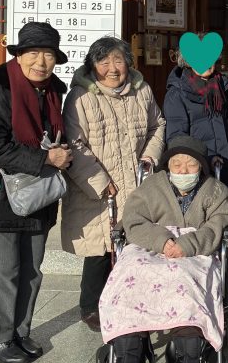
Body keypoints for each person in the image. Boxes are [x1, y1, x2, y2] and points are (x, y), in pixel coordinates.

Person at [0, 21, 73, 363]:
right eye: (33, 53)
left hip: (37, 194)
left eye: (48, 54)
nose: (41, 62)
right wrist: (46, 158)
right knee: (4, 269)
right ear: (19, 55)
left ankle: (20, 332)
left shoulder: (53, 91)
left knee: (32, 269)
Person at [99, 135, 228, 363]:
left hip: (194, 249)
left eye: (191, 164)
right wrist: (162, 241)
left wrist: (187, 244)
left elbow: (217, 224)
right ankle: (129, 356)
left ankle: (188, 360)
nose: (183, 170)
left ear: (201, 167)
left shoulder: (215, 191)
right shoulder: (151, 187)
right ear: (167, 165)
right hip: (151, 245)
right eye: (177, 164)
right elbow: (133, 220)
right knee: (129, 277)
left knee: (184, 280)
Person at [61, 36, 166, 331]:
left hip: (136, 182)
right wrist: (99, 180)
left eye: (118, 60)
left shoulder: (141, 90)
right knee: (100, 248)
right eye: (103, 62)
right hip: (97, 188)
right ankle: (91, 306)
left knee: (135, 245)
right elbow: (74, 143)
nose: (112, 68)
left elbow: (157, 125)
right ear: (92, 66)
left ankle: (131, 299)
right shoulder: (80, 97)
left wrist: (149, 158)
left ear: (128, 64)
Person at [163, 47, 228, 216]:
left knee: (225, 219)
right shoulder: (177, 93)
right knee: (201, 219)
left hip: (226, 166)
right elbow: (177, 138)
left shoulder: (224, 86)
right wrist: (205, 158)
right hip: (198, 169)